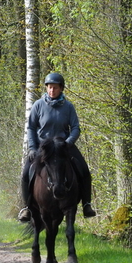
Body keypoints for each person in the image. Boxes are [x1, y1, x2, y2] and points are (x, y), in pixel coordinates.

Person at [18, 72, 96, 222]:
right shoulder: (38, 105)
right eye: (49, 88)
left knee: (84, 169)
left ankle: (87, 204)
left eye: (55, 88)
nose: (52, 91)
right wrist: (33, 148)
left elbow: (75, 128)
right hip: (44, 147)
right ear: (46, 88)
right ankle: (26, 207)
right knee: (26, 172)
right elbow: (31, 128)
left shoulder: (68, 107)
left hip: (63, 146)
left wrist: (68, 143)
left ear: (61, 88)